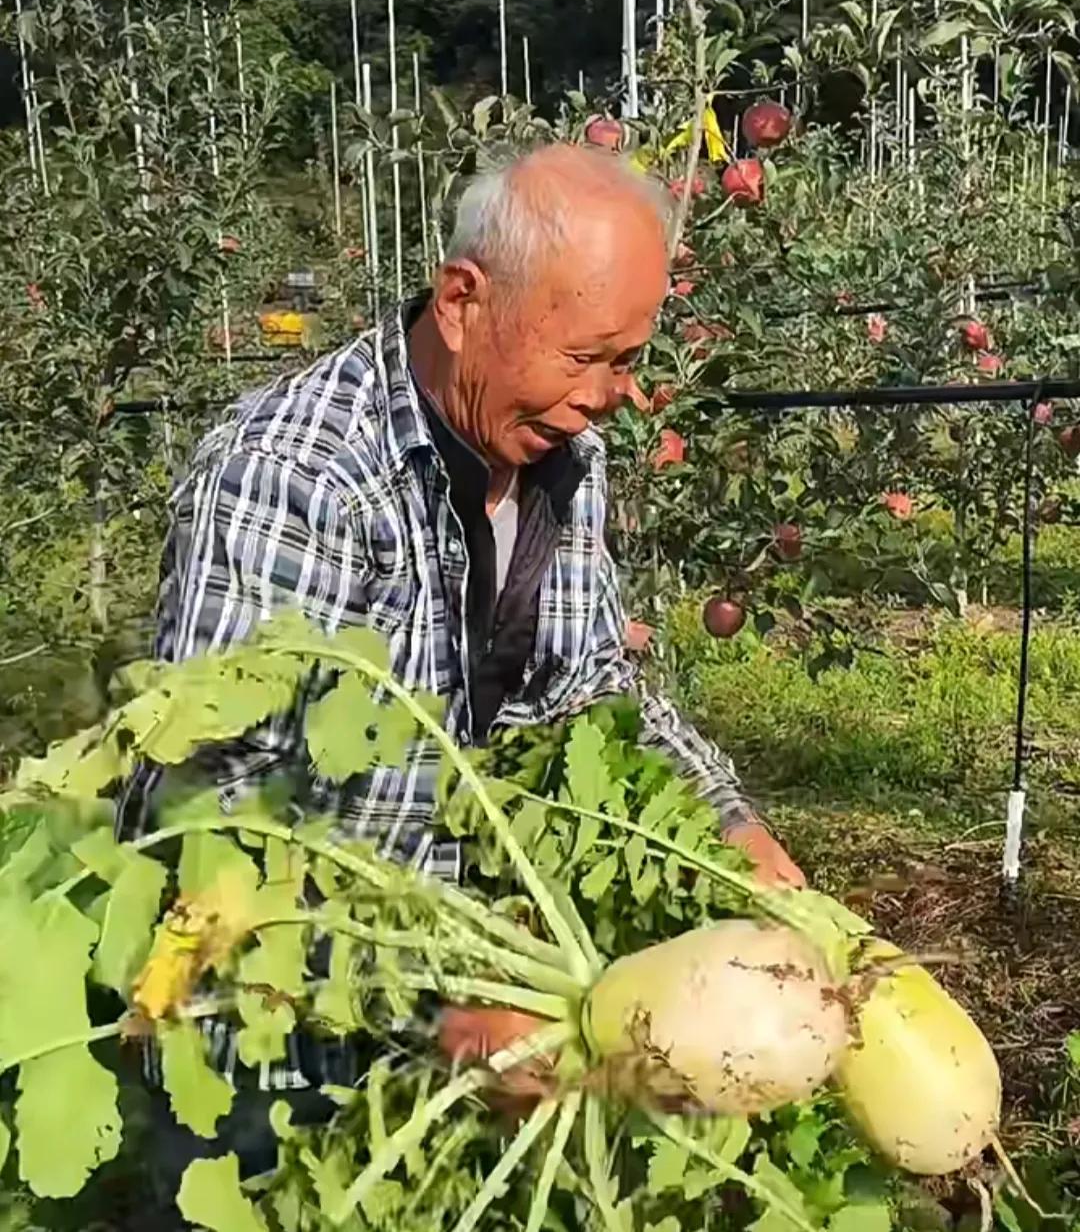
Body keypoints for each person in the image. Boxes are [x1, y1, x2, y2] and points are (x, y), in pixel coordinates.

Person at [120, 142, 803, 1211]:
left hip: (451, 1006)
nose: (614, 395)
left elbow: (588, 691)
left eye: (628, 360)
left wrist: (729, 825)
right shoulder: (290, 479)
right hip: (260, 1023)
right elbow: (219, 821)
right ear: (461, 301)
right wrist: (435, 1021)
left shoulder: (559, 451)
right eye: (590, 357)